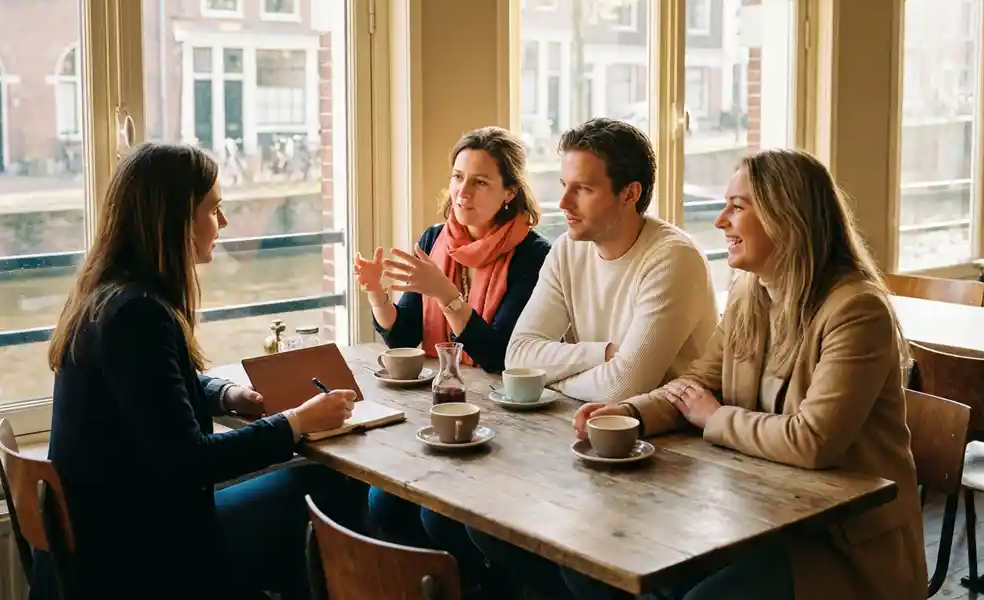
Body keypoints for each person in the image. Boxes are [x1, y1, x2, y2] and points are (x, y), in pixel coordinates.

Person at [565, 148, 927, 600]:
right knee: (598, 568)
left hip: (839, 544)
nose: (720, 221)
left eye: (737, 206)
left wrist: (713, 418)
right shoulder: (749, 293)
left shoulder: (856, 310)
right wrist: (629, 413)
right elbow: (697, 384)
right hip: (757, 519)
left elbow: (812, 440)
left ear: (786, 216)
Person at [31, 143, 359, 600]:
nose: (222, 223)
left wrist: (226, 394)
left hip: (104, 537)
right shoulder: (139, 316)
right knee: (324, 488)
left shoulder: (108, 297)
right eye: (214, 209)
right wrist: (296, 423)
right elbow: (191, 461)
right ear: (176, 221)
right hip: (141, 557)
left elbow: (154, 391)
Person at [353, 126, 550, 592]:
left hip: (506, 418)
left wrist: (445, 293)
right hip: (440, 408)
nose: (463, 190)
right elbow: (404, 337)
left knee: (434, 517)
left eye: (480, 181)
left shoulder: (535, 255)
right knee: (383, 504)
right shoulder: (436, 238)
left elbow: (500, 353)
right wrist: (379, 295)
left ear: (509, 193)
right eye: (459, 176)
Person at [505, 118, 717, 403]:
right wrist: (603, 353)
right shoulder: (567, 249)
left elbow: (620, 389)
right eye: (564, 185)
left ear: (630, 194)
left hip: (676, 436)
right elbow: (518, 356)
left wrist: (551, 380)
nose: (564, 203)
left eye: (583, 189)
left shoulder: (674, 259)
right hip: (592, 421)